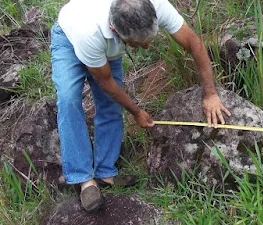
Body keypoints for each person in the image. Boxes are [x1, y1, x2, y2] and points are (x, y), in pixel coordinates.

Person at [50, 0, 231, 212]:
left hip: (107, 45)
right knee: (69, 99)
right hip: (70, 39)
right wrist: (136, 112)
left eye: (149, 40)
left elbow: (193, 42)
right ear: (116, 30)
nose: (146, 47)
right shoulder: (88, 32)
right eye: (138, 43)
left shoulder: (156, 5)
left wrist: (210, 93)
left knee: (109, 104)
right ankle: (84, 179)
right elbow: (106, 82)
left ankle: (105, 172)